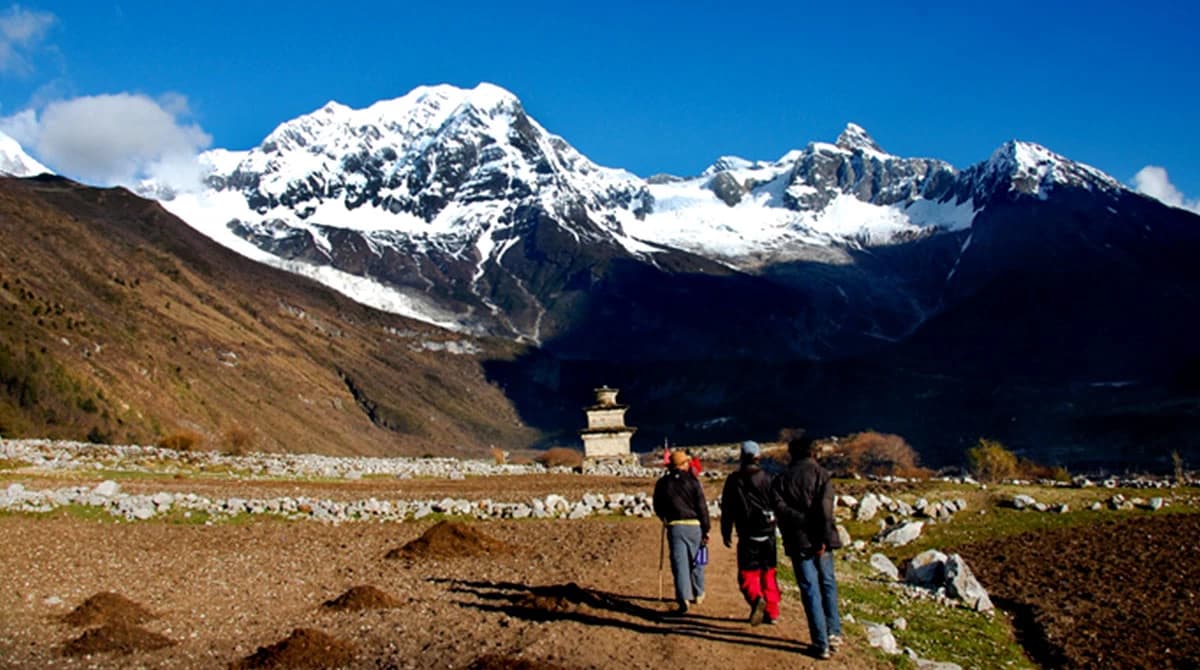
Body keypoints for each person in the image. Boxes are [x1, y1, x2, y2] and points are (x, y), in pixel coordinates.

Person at [770, 429, 843, 660]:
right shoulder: (822, 475)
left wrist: (801, 520)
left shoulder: (781, 479)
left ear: (791, 454)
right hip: (821, 540)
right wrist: (822, 537)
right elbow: (826, 511)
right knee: (828, 583)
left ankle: (820, 643)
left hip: (797, 540)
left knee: (810, 589)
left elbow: (779, 509)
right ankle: (834, 633)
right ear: (812, 452)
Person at [720, 440, 781, 626]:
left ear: (741, 456)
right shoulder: (769, 478)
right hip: (768, 532)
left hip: (747, 533)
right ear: (758, 457)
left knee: (747, 573)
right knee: (768, 573)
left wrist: (726, 531)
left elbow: (727, 509)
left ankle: (756, 599)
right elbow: (778, 504)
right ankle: (772, 611)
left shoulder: (733, 480)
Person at [653, 449, 711, 614]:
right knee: (698, 561)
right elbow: (701, 506)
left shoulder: (663, 483)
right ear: (684, 464)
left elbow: (657, 506)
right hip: (694, 526)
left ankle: (683, 597)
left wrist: (664, 518)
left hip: (675, 526)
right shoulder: (693, 481)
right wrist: (706, 528)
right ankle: (699, 593)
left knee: (680, 564)